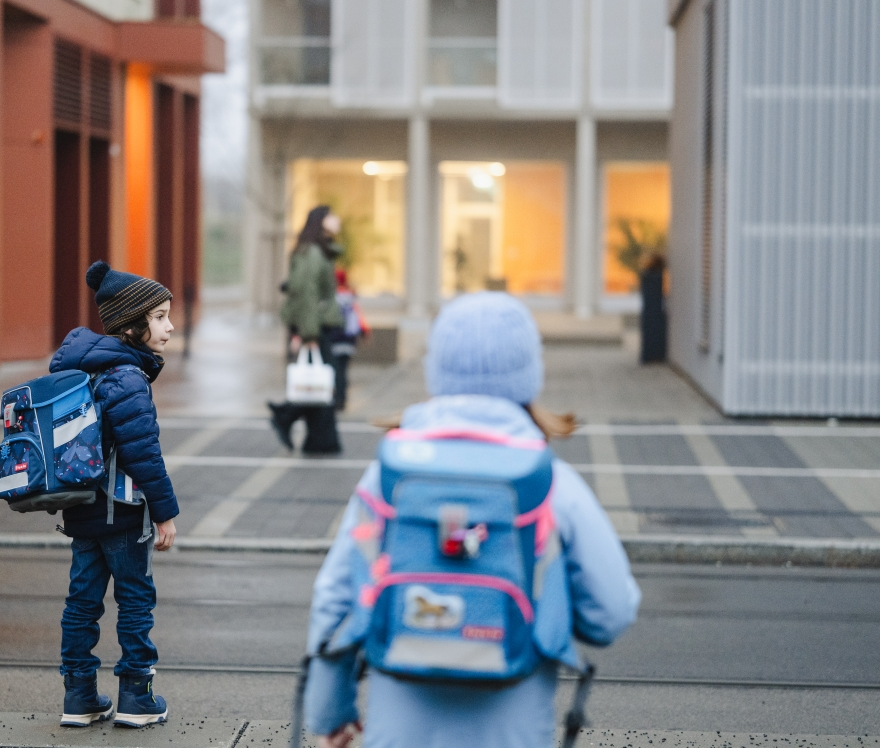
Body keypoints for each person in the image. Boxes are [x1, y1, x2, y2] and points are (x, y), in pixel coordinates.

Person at [302, 292, 641, 748]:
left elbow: (335, 600)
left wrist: (330, 714)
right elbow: (610, 613)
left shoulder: (387, 477)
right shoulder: (549, 483)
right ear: (529, 376)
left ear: (437, 372)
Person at [48, 260, 180, 729]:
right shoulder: (127, 376)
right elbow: (144, 453)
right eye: (160, 316)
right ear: (131, 324)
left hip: (80, 508)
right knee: (136, 601)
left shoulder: (86, 369)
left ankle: (79, 696)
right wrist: (165, 514)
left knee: (81, 603)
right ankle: (136, 697)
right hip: (123, 513)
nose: (169, 325)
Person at [268, 205, 346, 453]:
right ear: (321, 221)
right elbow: (307, 294)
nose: (337, 219)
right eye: (332, 215)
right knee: (327, 381)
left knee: (320, 381)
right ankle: (291, 419)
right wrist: (308, 333)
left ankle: (318, 440)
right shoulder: (312, 253)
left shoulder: (319, 250)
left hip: (315, 323)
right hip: (314, 326)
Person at [326, 268, 370, 411]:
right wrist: (364, 332)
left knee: (335, 369)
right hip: (349, 339)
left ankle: (336, 398)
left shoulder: (332, 296)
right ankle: (342, 397)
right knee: (343, 370)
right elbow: (358, 317)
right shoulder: (351, 297)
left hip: (334, 337)